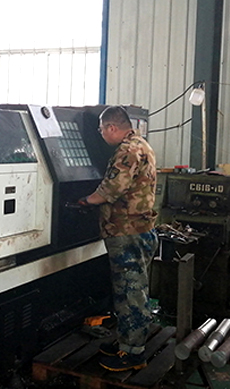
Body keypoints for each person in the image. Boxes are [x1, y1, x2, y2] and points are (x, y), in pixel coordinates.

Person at [78, 105, 158, 372]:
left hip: (127, 232)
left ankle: (133, 353)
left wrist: (86, 200)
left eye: (102, 130)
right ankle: (127, 342)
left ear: (112, 128)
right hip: (139, 229)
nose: (101, 134)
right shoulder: (141, 145)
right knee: (133, 290)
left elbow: (110, 189)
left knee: (130, 293)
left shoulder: (126, 151)